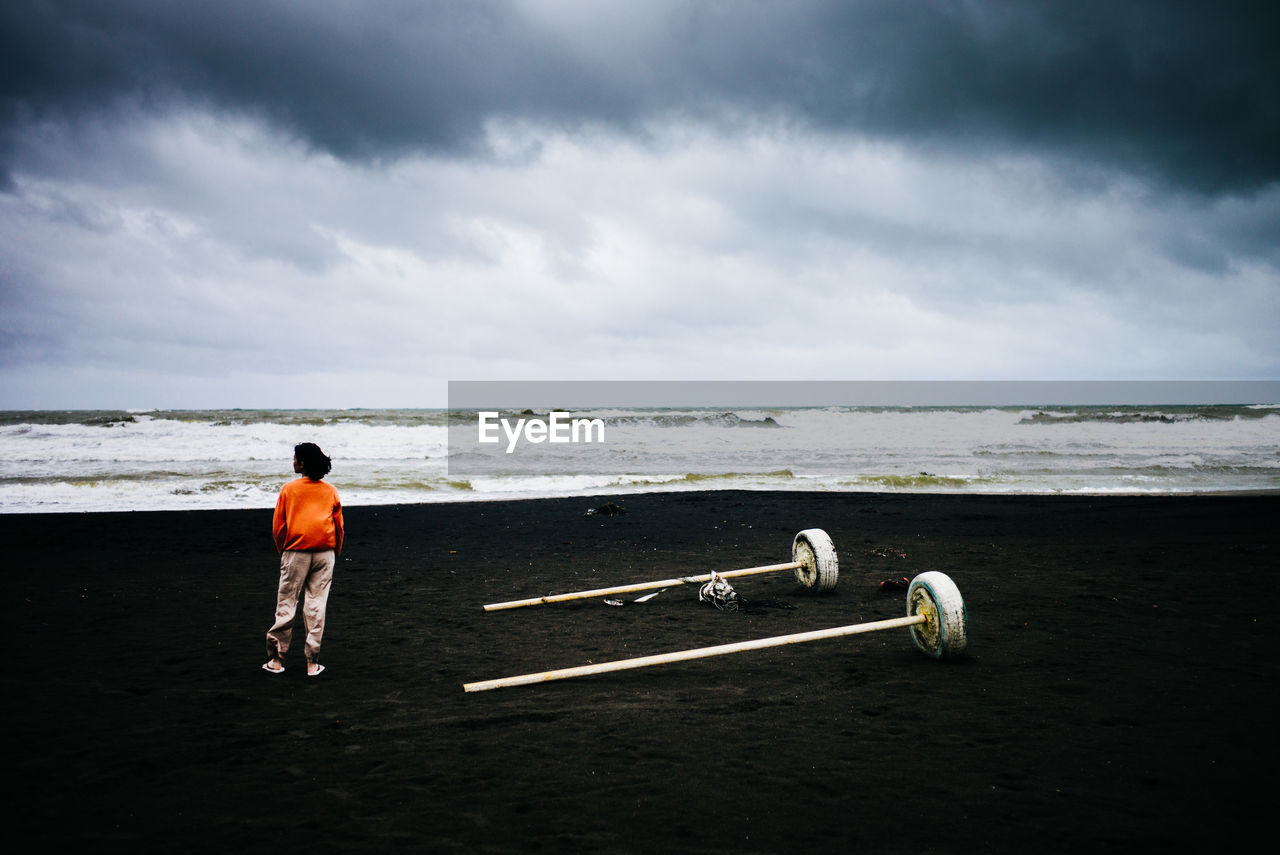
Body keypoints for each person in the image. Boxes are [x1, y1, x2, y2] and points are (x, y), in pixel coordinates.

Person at [263, 442, 344, 677]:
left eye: (296, 458)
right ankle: (312, 662)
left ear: (303, 462)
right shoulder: (330, 490)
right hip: (325, 551)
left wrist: (284, 552)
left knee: (287, 602)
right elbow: (338, 526)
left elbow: (279, 527)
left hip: (296, 551)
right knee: (316, 605)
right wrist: (335, 551)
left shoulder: (289, 489)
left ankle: (277, 659)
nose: (293, 461)